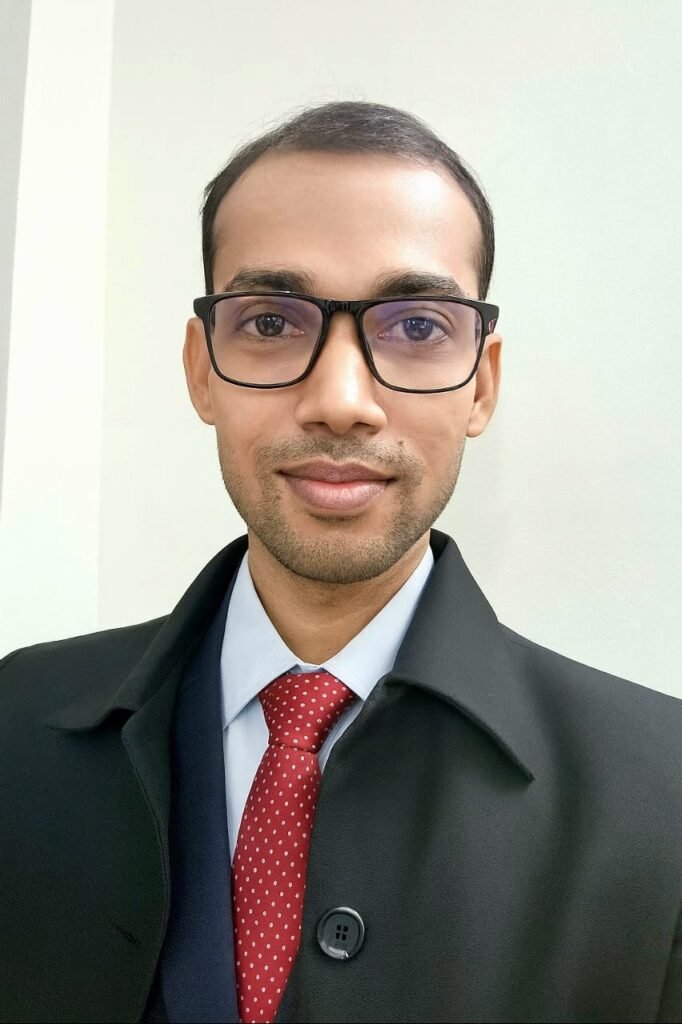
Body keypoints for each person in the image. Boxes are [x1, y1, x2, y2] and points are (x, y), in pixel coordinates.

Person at [1, 100, 680, 1024]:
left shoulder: (662, 792)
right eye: (271, 323)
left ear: (482, 383)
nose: (341, 399)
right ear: (201, 369)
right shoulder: (16, 725)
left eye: (417, 327)